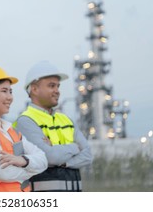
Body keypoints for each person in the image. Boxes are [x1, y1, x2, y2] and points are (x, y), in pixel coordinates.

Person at [13, 60, 93, 192]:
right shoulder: (26, 121)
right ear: (34, 89)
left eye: (58, 86)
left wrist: (64, 162)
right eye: (51, 86)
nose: (57, 91)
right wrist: (74, 147)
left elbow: (88, 156)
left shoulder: (66, 119)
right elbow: (49, 157)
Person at [0, 64, 48, 192]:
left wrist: (22, 160)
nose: (10, 97)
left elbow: (43, 159)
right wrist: (31, 169)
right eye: (4, 91)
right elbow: (4, 172)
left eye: (10, 91)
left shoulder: (11, 130)